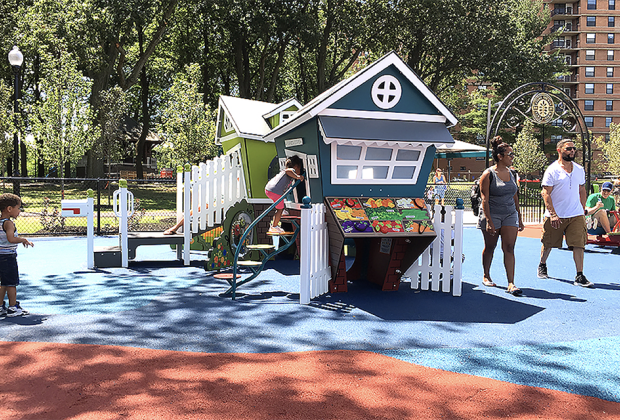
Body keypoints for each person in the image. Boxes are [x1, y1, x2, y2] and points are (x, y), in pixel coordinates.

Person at [537, 139, 593, 287]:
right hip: (555, 215)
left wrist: (582, 209)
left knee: (579, 244)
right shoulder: (552, 170)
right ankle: (542, 264)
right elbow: (545, 193)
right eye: (568, 149)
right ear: (559, 150)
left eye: (573, 149)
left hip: (575, 214)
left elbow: (581, 189)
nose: (572, 151)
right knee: (548, 243)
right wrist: (553, 214)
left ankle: (579, 275)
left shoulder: (579, 169)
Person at [477, 136, 524, 296]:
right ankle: (486, 275)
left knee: (509, 248)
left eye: (512, 154)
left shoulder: (512, 174)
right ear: (500, 156)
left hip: (510, 214)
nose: (512, 157)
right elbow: (484, 198)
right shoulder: (488, 174)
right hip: (492, 214)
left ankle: (511, 283)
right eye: (510, 154)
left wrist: (520, 217)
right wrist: (489, 221)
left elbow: (515, 196)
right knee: (491, 247)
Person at [0, 193, 34, 317]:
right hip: (8, 257)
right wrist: (23, 240)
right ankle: (13, 307)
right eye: (18, 208)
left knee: (3, 283)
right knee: (11, 283)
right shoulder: (9, 223)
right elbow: (10, 238)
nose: (19, 211)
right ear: (9, 209)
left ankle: (0, 307)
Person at [265, 155, 304, 234]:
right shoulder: (290, 170)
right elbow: (288, 171)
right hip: (275, 191)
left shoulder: (283, 173)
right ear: (296, 167)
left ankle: (281, 213)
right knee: (279, 209)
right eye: (300, 168)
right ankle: (274, 226)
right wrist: (298, 177)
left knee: (280, 207)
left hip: (269, 189)